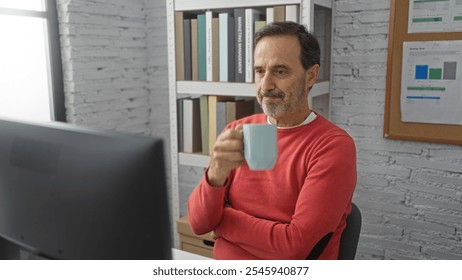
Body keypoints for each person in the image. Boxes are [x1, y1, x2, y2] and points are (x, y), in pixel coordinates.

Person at [187, 21, 357, 260]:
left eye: (280, 71)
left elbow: (295, 247)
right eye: (259, 71)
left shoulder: (333, 146)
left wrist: (224, 220)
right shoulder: (237, 130)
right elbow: (198, 222)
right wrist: (216, 172)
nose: (265, 85)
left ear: (311, 75)